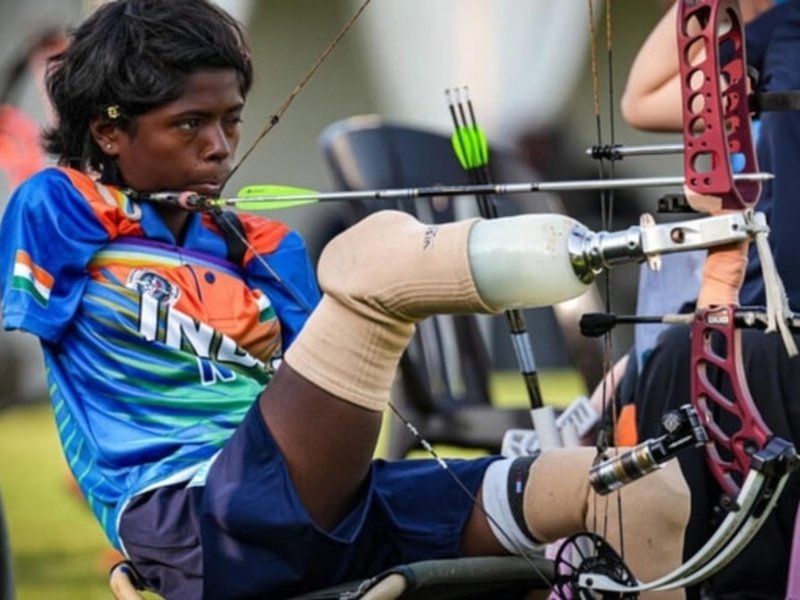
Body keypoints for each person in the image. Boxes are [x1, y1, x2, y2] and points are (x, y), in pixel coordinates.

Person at [0, 1, 692, 598]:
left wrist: (245, 251)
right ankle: (586, 363)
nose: (220, 149)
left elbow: (325, 394)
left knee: (633, 493)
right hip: (200, 524)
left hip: (331, 504)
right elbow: (45, 267)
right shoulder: (58, 205)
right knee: (376, 253)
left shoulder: (264, 246)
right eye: (189, 125)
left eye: (231, 121)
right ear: (110, 131)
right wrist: (145, 213)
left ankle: (579, 417)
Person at [618, 1, 800, 598]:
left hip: (772, 333)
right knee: (669, 359)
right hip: (764, 319)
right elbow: (645, 100)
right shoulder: (778, 31)